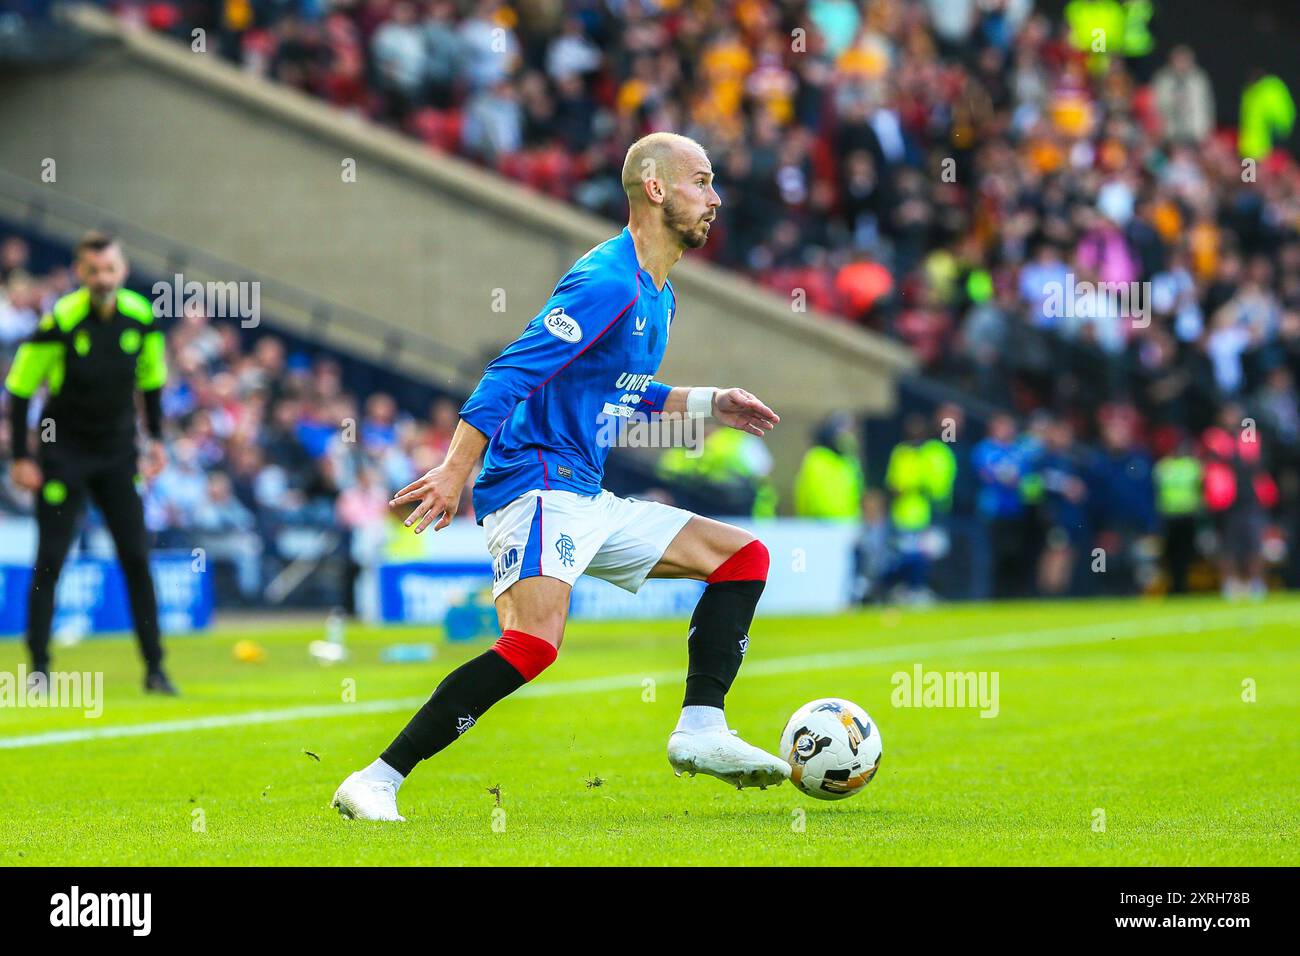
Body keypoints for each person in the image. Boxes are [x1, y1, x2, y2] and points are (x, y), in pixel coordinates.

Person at [332, 133, 788, 821]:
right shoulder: (606, 278)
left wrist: (706, 404)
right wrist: (456, 471)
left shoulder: (658, 295)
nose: (715, 197)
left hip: (583, 490)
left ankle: (701, 727)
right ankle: (378, 778)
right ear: (657, 189)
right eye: (701, 181)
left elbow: (619, 388)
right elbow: (511, 371)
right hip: (535, 481)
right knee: (532, 644)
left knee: (742, 558)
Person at [3, 232, 176, 693]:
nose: (103, 278)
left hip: (119, 454)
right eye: (93, 271)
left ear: (121, 271)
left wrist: (156, 440)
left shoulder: (142, 319)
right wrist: (22, 458)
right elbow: (20, 387)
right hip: (65, 453)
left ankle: (155, 670)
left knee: (137, 558)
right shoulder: (59, 320)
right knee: (51, 560)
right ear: (80, 273)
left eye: (110, 269)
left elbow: (153, 383)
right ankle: (39, 669)